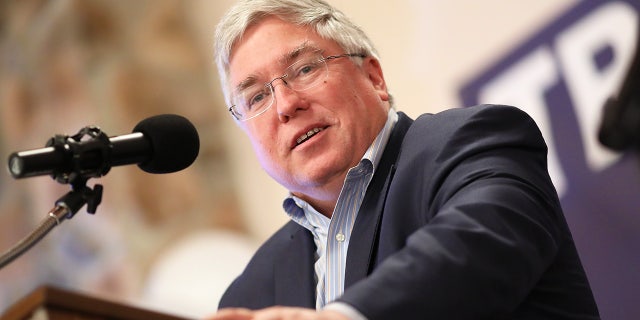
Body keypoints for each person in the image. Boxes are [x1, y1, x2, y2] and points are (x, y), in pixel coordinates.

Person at [208, 0, 600, 319]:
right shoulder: (251, 293)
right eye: (257, 97)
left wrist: (346, 316)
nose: (287, 105)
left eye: (305, 69)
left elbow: (480, 241)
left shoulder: (474, 142)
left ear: (374, 78)